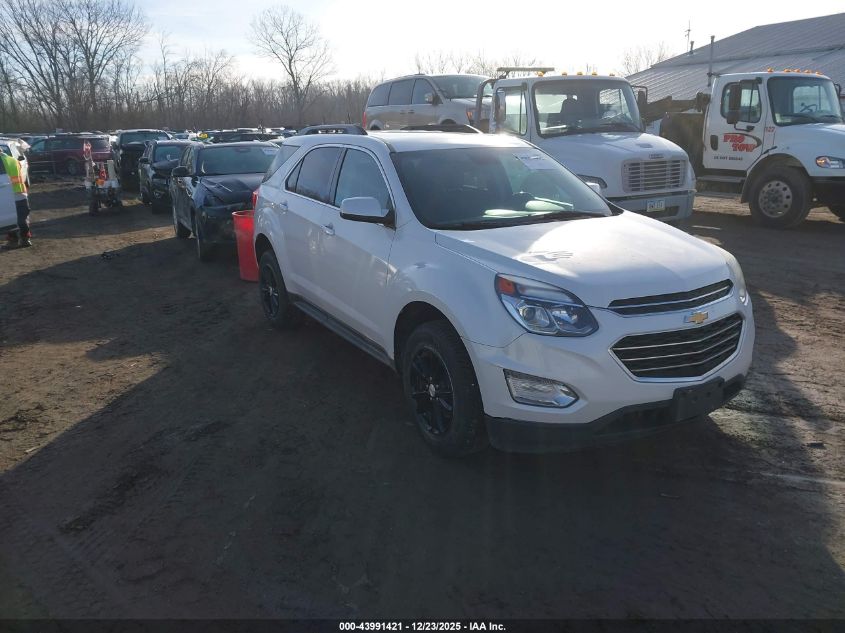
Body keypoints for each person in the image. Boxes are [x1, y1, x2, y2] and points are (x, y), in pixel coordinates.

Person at [2, 151, 31, 248]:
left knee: (11, 218)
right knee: (21, 218)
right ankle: (25, 239)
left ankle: (13, 239)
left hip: (6, 194)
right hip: (20, 192)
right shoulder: (12, 160)